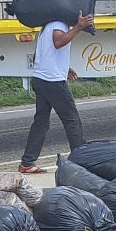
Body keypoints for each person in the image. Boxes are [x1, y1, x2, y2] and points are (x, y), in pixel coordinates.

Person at [18, 10, 94, 174]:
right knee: (71, 119)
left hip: (40, 79)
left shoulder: (46, 26)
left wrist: (63, 68)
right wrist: (79, 27)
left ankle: (27, 163)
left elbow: (41, 54)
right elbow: (59, 42)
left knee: (41, 122)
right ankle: (81, 160)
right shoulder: (59, 24)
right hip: (53, 82)